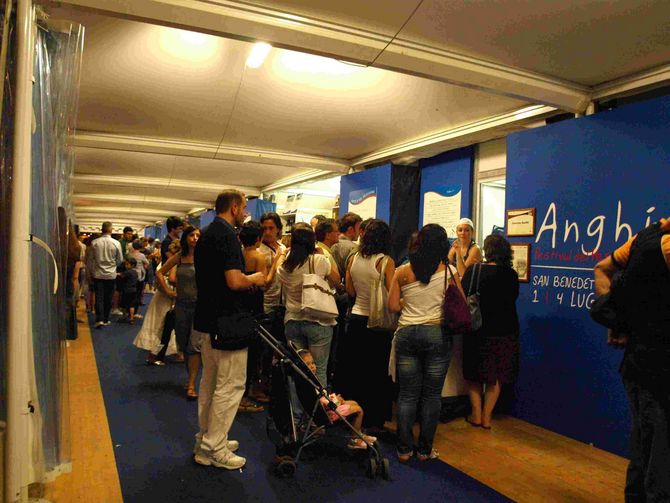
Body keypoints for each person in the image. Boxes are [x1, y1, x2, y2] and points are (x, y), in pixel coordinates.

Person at [594, 217, 670, 502]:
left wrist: (617, 319)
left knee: (644, 447)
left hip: (640, 363)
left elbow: (602, 269)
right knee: (658, 459)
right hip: (657, 366)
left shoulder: (644, 237)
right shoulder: (662, 245)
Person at [192, 190, 265, 470]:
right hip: (227, 322)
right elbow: (234, 281)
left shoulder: (207, 233)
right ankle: (214, 447)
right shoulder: (227, 237)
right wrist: (255, 278)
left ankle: (207, 439)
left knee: (210, 384)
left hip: (208, 320)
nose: (245, 212)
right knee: (230, 386)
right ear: (234, 207)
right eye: (244, 207)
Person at [388, 224, 460, 462]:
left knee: (407, 394)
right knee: (431, 395)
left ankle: (404, 449)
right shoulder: (449, 272)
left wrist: (410, 305)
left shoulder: (402, 271)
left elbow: (392, 305)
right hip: (437, 334)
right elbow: (459, 302)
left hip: (406, 334)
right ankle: (424, 450)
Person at [341, 219, 395, 431]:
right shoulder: (385, 261)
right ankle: (373, 418)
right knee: (376, 373)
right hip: (377, 323)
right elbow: (392, 294)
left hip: (356, 318)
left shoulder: (353, 258)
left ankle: (353, 414)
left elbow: (350, 290)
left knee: (355, 370)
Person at [461, 234, 519, 430]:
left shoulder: (475, 270)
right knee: (496, 377)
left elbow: (463, 292)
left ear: (487, 250)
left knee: (474, 374)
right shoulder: (511, 274)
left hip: (478, 328)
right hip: (504, 330)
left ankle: (476, 415)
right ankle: (487, 417)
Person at [277, 226, 340, 387]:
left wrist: (283, 254)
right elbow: (336, 280)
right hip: (318, 321)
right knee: (319, 370)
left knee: (298, 369)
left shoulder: (285, 267)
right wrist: (321, 254)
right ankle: (318, 403)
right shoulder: (318, 260)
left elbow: (278, 273)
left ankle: (297, 404)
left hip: (292, 320)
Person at [298, 349, 376, 449]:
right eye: (308, 364)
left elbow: (322, 398)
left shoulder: (308, 382)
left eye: (313, 363)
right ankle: (355, 439)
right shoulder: (309, 385)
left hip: (327, 408)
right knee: (359, 410)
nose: (312, 366)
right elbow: (322, 402)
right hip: (328, 413)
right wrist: (336, 401)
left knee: (354, 402)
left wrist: (334, 399)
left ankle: (358, 433)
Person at [157, 226, 201, 400]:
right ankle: (190, 378)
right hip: (181, 306)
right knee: (183, 344)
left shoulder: (205, 257)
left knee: (194, 345)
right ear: (186, 238)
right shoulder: (180, 257)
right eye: (192, 235)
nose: (195, 238)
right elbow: (160, 273)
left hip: (199, 307)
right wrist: (168, 291)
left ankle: (191, 384)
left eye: (198, 235)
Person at [134, 240, 180, 365]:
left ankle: (160, 353)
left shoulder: (164, 262)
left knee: (160, 326)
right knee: (164, 327)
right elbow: (172, 279)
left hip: (161, 297)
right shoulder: (175, 262)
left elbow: (158, 280)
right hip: (169, 298)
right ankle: (155, 354)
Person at [238, 220, 267, 413]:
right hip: (255, 308)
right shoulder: (258, 256)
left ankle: (240, 394)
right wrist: (277, 262)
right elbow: (264, 282)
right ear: (258, 238)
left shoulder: (239, 254)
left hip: (240, 306)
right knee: (253, 355)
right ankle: (245, 396)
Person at [90, 222, 123, 328]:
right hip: (111, 275)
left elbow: (91, 259)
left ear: (102, 229)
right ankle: (106, 318)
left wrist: (91, 272)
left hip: (98, 274)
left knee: (99, 297)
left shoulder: (94, 242)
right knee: (108, 297)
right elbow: (120, 260)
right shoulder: (116, 243)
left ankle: (99, 319)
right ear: (111, 230)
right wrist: (113, 266)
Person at [331, 212, 362, 277]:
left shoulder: (331, 244)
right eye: (358, 229)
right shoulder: (354, 248)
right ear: (350, 229)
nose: (359, 233)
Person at [117, 257, 139, 323]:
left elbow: (121, 275)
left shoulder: (128, 272)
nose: (125, 266)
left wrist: (116, 273)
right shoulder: (135, 272)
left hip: (126, 290)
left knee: (123, 304)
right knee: (132, 305)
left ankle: (124, 316)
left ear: (132, 265)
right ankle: (131, 318)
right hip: (134, 290)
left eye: (127, 264)